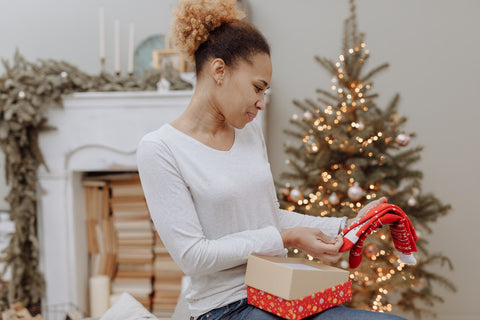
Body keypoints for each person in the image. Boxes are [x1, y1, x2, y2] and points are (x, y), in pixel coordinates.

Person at [137, 0, 406, 319]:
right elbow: (193, 256)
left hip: (278, 291)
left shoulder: (248, 132)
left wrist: (345, 226)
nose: (261, 103)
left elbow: (266, 216)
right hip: (225, 309)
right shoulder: (160, 148)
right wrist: (285, 238)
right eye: (257, 88)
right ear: (219, 70)